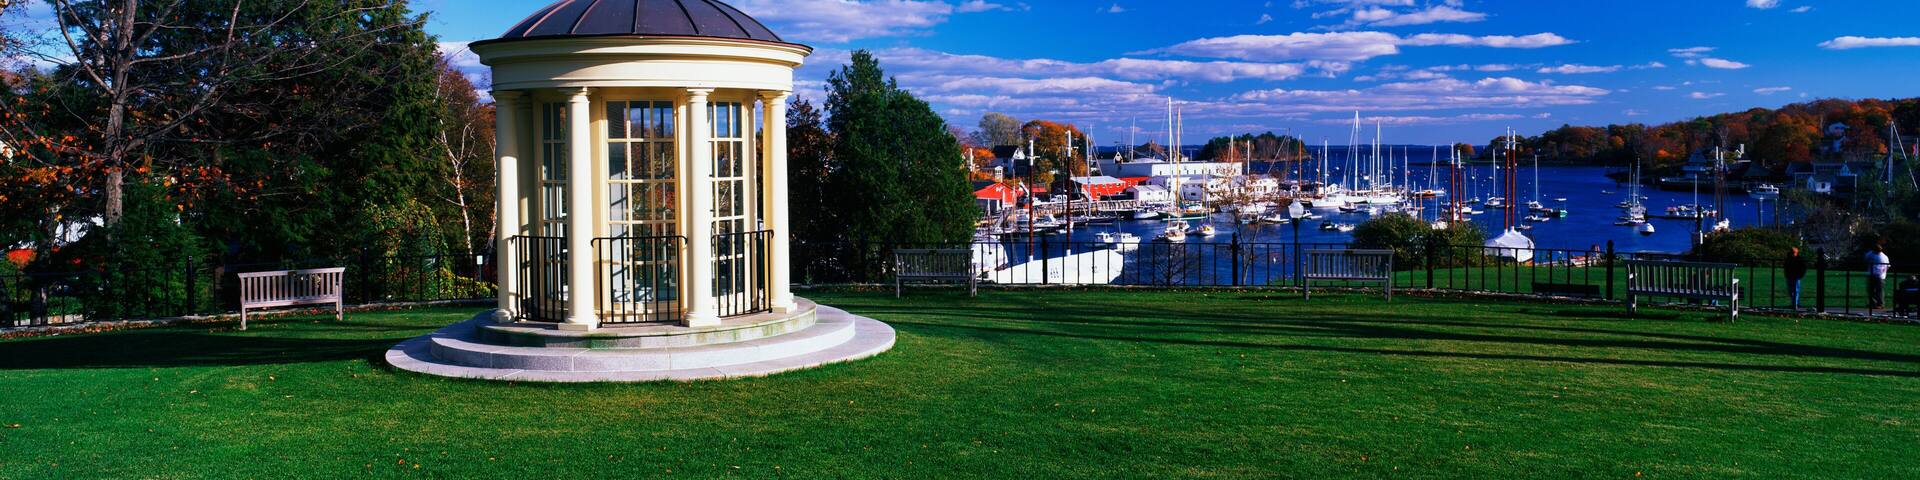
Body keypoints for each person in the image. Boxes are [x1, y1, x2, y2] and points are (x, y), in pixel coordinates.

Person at [1866, 242, 1891, 310]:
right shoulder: (1884, 256)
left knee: (1876, 290)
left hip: (1876, 275)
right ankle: (1876, 304)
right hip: (1879, 275)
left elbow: (1866, 258)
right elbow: (1888, 266)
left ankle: (1879, 304)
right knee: (1877, 290)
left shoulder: (1877, 257)